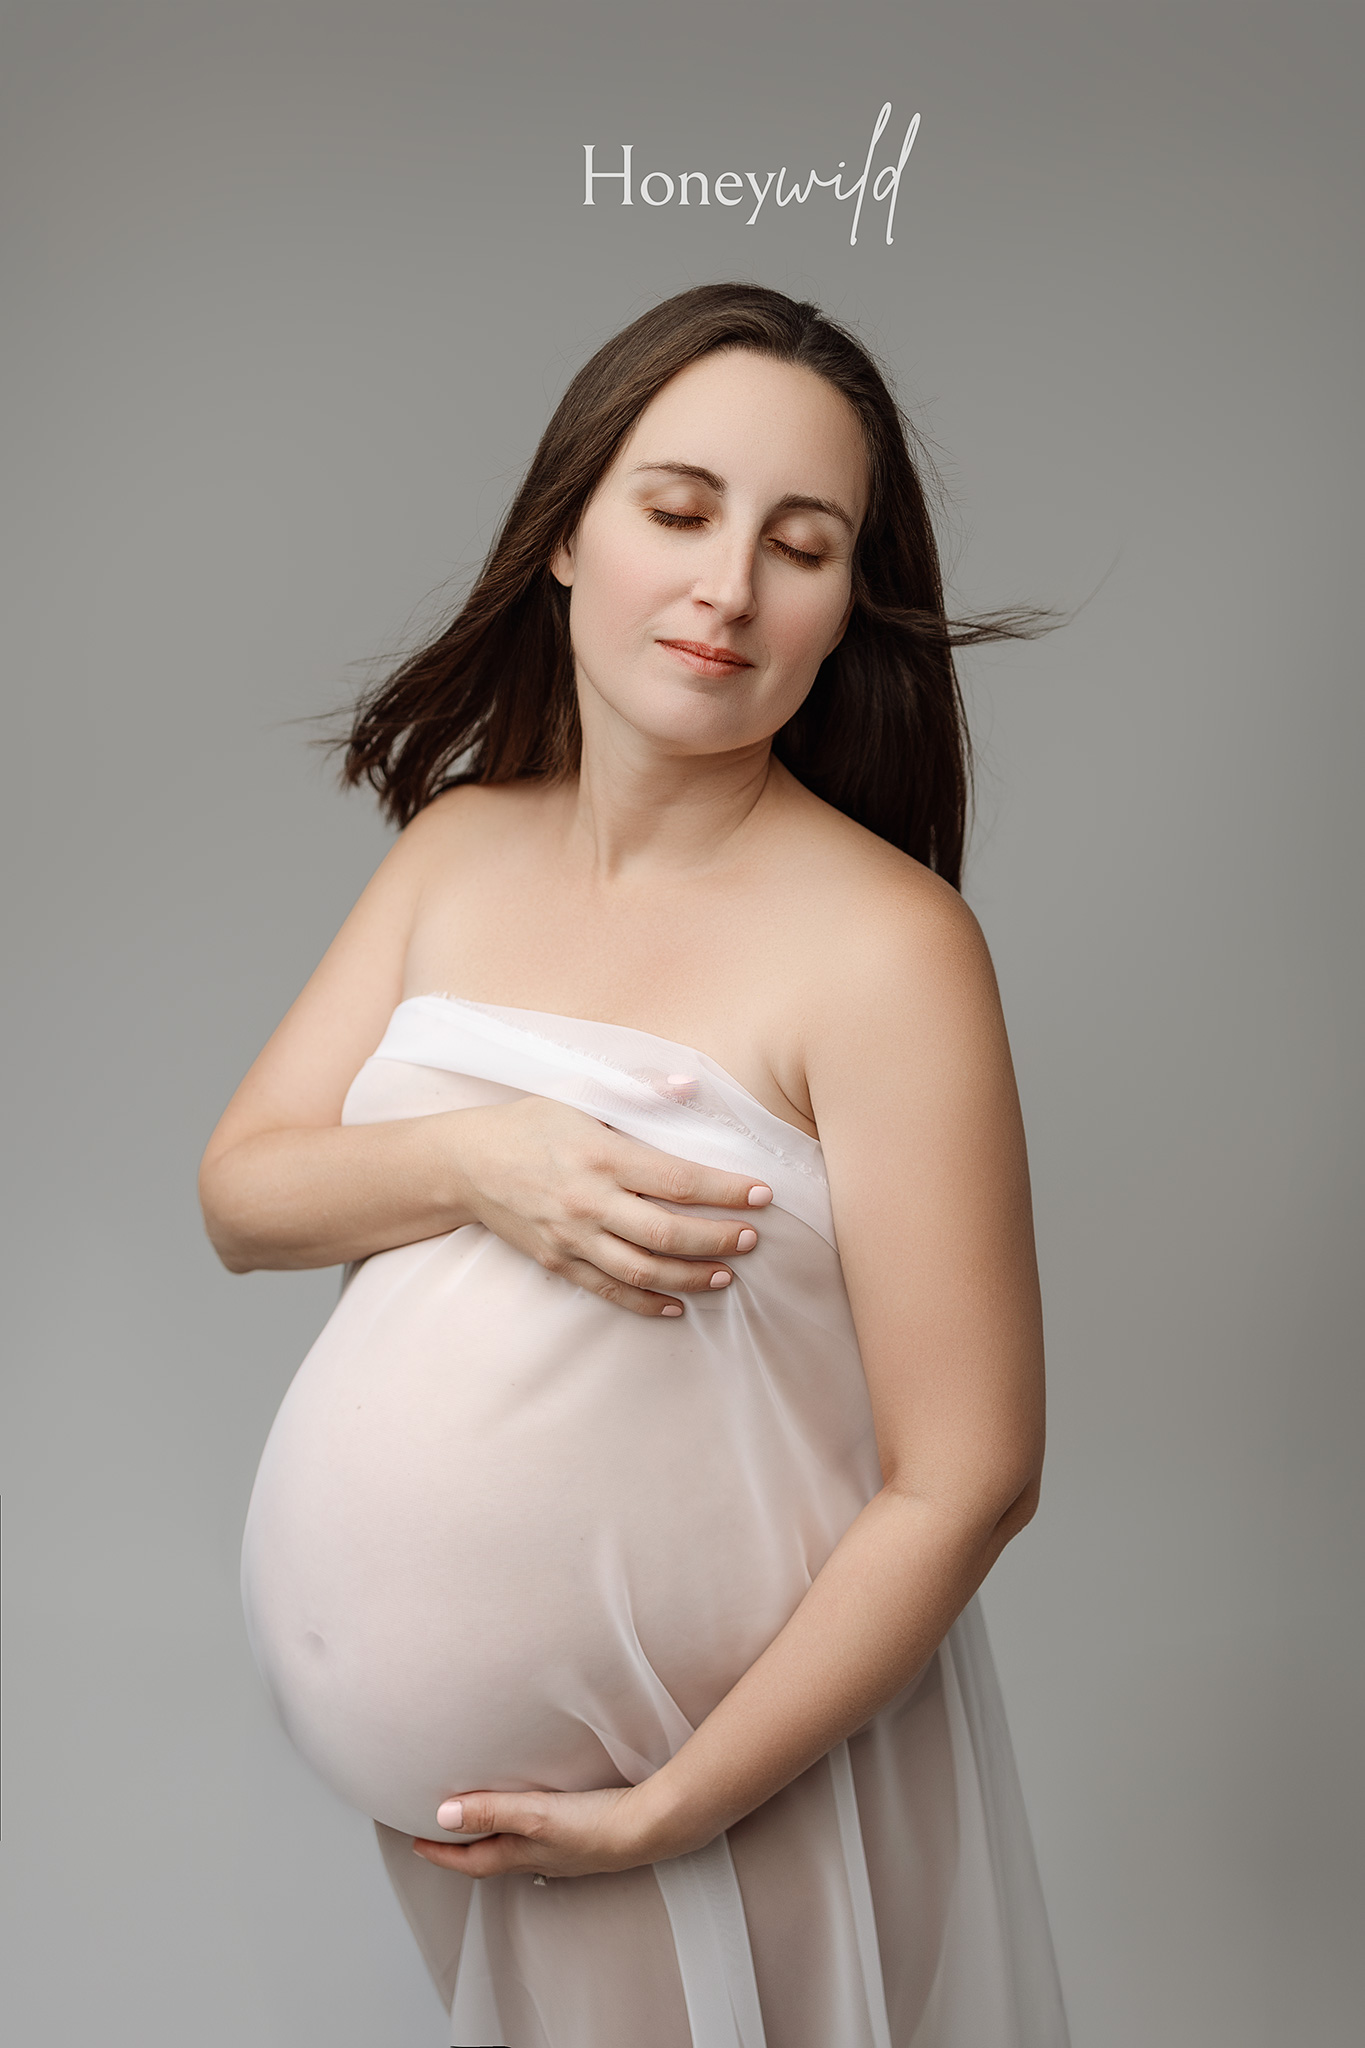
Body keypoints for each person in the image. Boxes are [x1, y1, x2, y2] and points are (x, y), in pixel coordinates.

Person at [199, 282, 1070, 2048]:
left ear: (845, 608)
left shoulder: (886, 950)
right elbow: (244, 1193)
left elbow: (969, 1472)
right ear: (565, 542)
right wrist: (483, 1161)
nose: (728, 585)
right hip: (495, 1821)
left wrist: (677, 1802)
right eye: (677, 511)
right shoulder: (456, 848)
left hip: (708, 1788)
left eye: (800, 544)